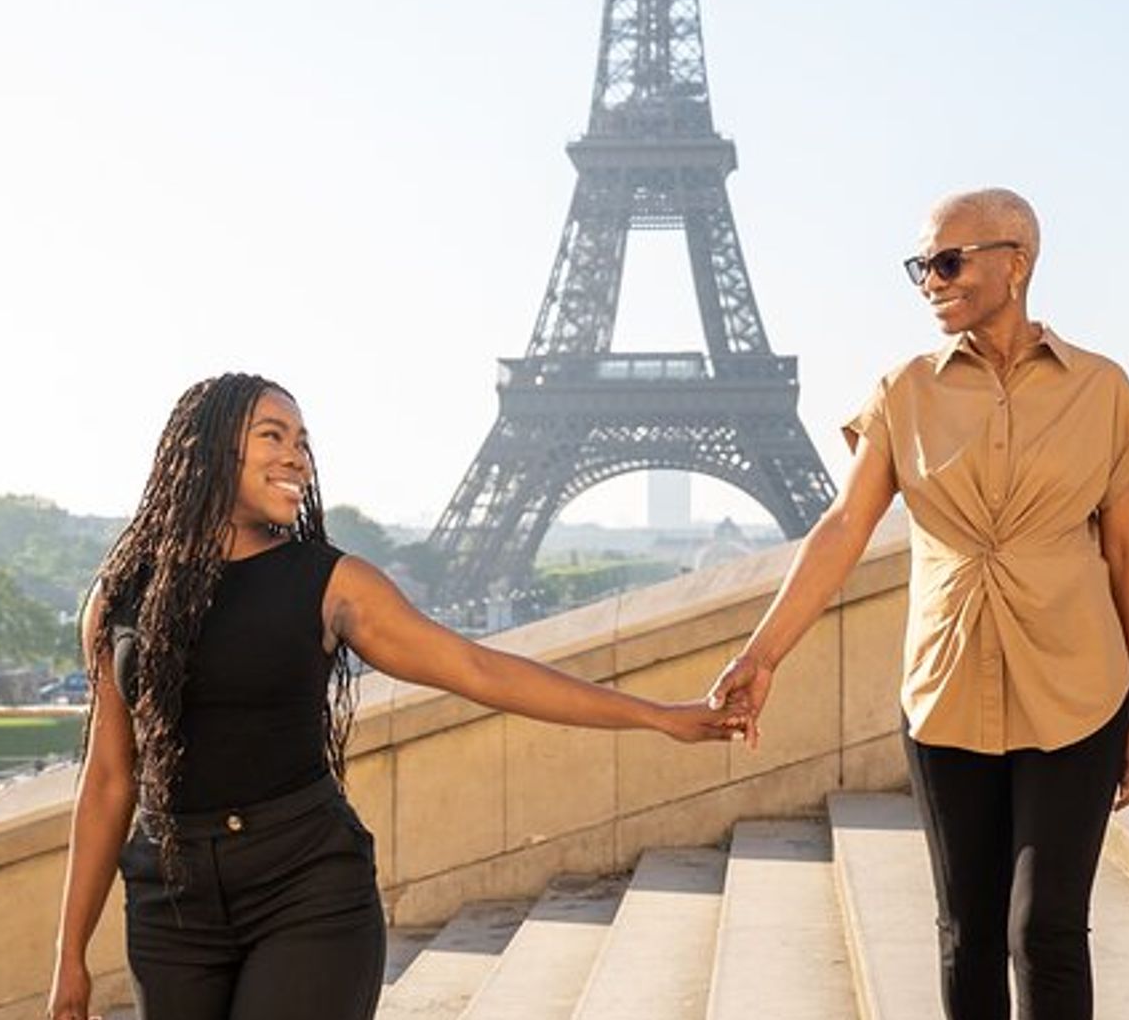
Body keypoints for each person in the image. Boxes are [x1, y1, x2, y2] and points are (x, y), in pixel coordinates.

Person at [49, 373, 741, 1020]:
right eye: (273, 435)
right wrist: (69, 956)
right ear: (206, 450)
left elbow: (480, 669)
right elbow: (110, 779)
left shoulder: (334, 584)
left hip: (305, 886)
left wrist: (658, 716)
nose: (298, 457)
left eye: (304, 442)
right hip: (170, 900)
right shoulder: (119, 596)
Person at [706, 188, 1129, 1020]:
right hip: (946, 692)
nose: (929, 280)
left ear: (1015, 264)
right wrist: (762, 652)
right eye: (921, 265)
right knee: (967, 933)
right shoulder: (903, 392)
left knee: (1048, 930)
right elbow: (843, 527)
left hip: (1080, 692)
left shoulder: (1102, 389)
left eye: (948, 261)